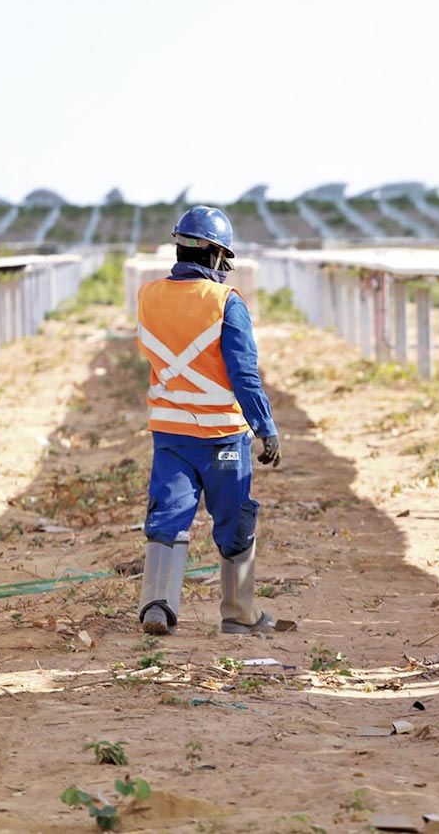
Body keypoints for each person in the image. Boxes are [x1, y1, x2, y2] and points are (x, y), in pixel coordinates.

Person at [135, 205, 282, 636]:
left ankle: (157, 605)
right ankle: (239, 615)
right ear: (218, 256)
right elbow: (243, 373)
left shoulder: (148, 296)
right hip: (222, 438)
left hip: (171, 436)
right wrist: (265, 427)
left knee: (168, 518)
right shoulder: (225, 302)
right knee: (235, 521)